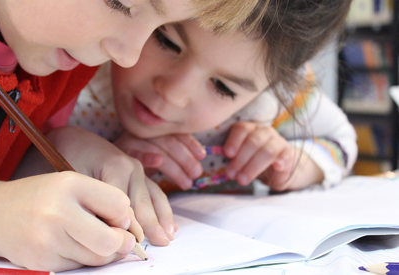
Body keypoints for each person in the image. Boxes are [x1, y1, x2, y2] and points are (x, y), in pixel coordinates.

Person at [0, 0, 265, 272]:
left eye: (159, 28)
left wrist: (47, 154)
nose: (126, 57)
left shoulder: (64, 61)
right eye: (121, 2)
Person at [65, 0, 357, 194]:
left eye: (223, 87)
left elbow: (341, 140)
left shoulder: (271, 103)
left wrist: (294, 165)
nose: (173, 93)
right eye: (166, 41)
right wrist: (90, 160)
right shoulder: (73, 66)